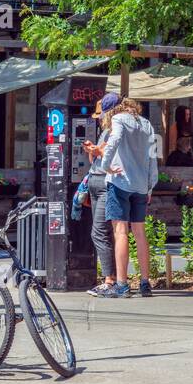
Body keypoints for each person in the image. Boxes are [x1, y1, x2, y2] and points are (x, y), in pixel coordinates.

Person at [97, 96, 158, 298]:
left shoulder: (118, 119)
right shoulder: (147, 124)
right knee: (140, 233)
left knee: (120, 232)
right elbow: (152, 157)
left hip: (120, 181)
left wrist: (105, 166)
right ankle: (145, 282)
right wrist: (150, 186)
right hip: (141, 185)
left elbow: (113, 142)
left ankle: (122, 285)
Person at [74, 96, 115, 296]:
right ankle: (110, 278)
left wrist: (97, 150)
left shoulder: (116, 131)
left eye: (101, 114)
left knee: (99, 231)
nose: (99, 119)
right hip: (95, 180)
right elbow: (95, 158)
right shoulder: (105, 131)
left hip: (106, 182)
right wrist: (92, 150)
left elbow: (108, 155)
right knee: (102, 231)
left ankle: (110, 280)